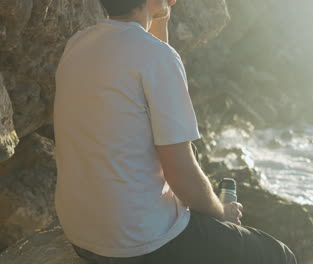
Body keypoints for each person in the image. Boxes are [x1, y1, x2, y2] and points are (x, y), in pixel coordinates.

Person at [53, 0, 297, 263]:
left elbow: (148, 58)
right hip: (136, 241)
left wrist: (160, 19)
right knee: (279, 255)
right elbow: (181, 175)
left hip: (80, 232)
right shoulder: (157, 57)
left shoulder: (78, 44)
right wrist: (221, 214)